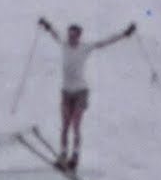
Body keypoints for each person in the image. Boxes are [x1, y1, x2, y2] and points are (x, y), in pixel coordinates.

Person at [37, 17, 136, 170]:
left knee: (76, 125)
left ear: (79, 36)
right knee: (65, 125)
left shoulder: (85, 47)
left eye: (74, 36)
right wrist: (46, 25)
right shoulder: (64, 45)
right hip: (66, 92)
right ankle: (63, 155)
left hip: (81, 93)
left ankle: (74, 157)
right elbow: (54, 33)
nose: (70, 38)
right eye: (69, 35)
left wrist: (125, 34)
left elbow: (104, 43)